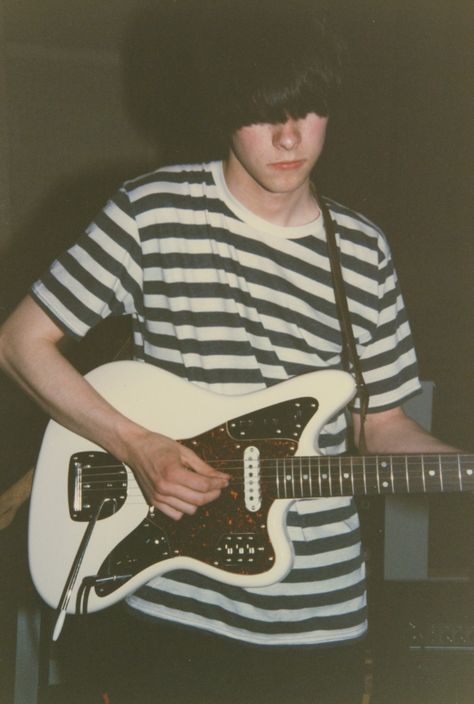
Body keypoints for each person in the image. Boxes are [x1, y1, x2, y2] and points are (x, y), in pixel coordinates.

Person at [0, 3, 459, 703]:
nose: (287, 136)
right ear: (225, 111)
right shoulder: (152, 212)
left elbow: (382, 423)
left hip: (318, 624)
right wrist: (134, 446)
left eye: (307, 110)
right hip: (171, 608)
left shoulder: (362, 250)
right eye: (262, 112)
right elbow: (20, 342)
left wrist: (462, 470)